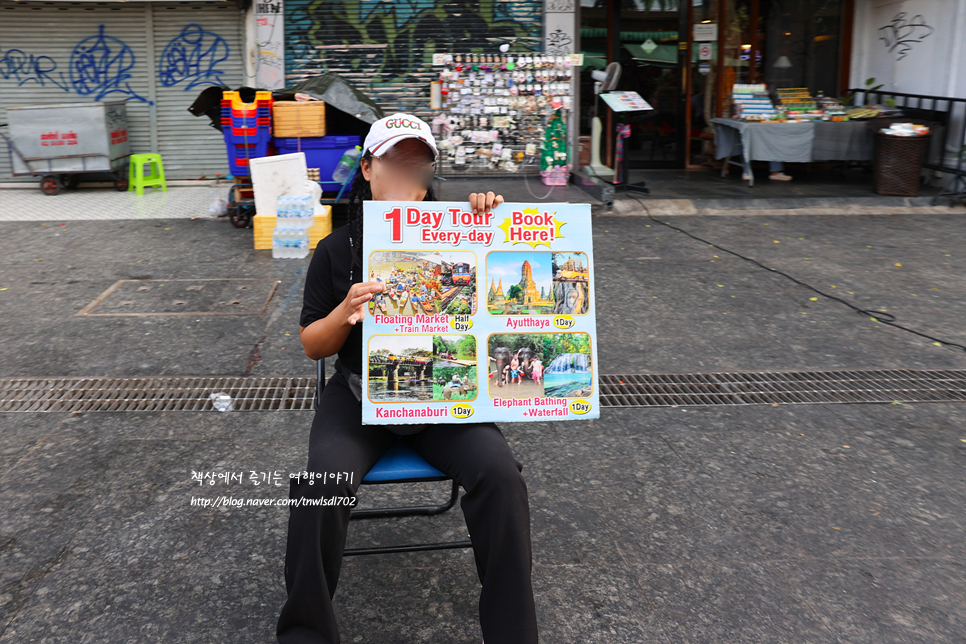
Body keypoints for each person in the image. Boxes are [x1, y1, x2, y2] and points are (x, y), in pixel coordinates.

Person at [277, 113, 538, 644]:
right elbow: (312, 346)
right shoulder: (336, 249)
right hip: (359, 398)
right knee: (320, 485)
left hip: (444, 395)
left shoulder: (464, 234)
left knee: (501, 476)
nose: (405, 175)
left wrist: (495, 219)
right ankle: (304, 633)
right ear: (368, 169)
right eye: (394, 162)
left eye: (417, 164)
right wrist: (343, 311)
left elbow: (515, 270)